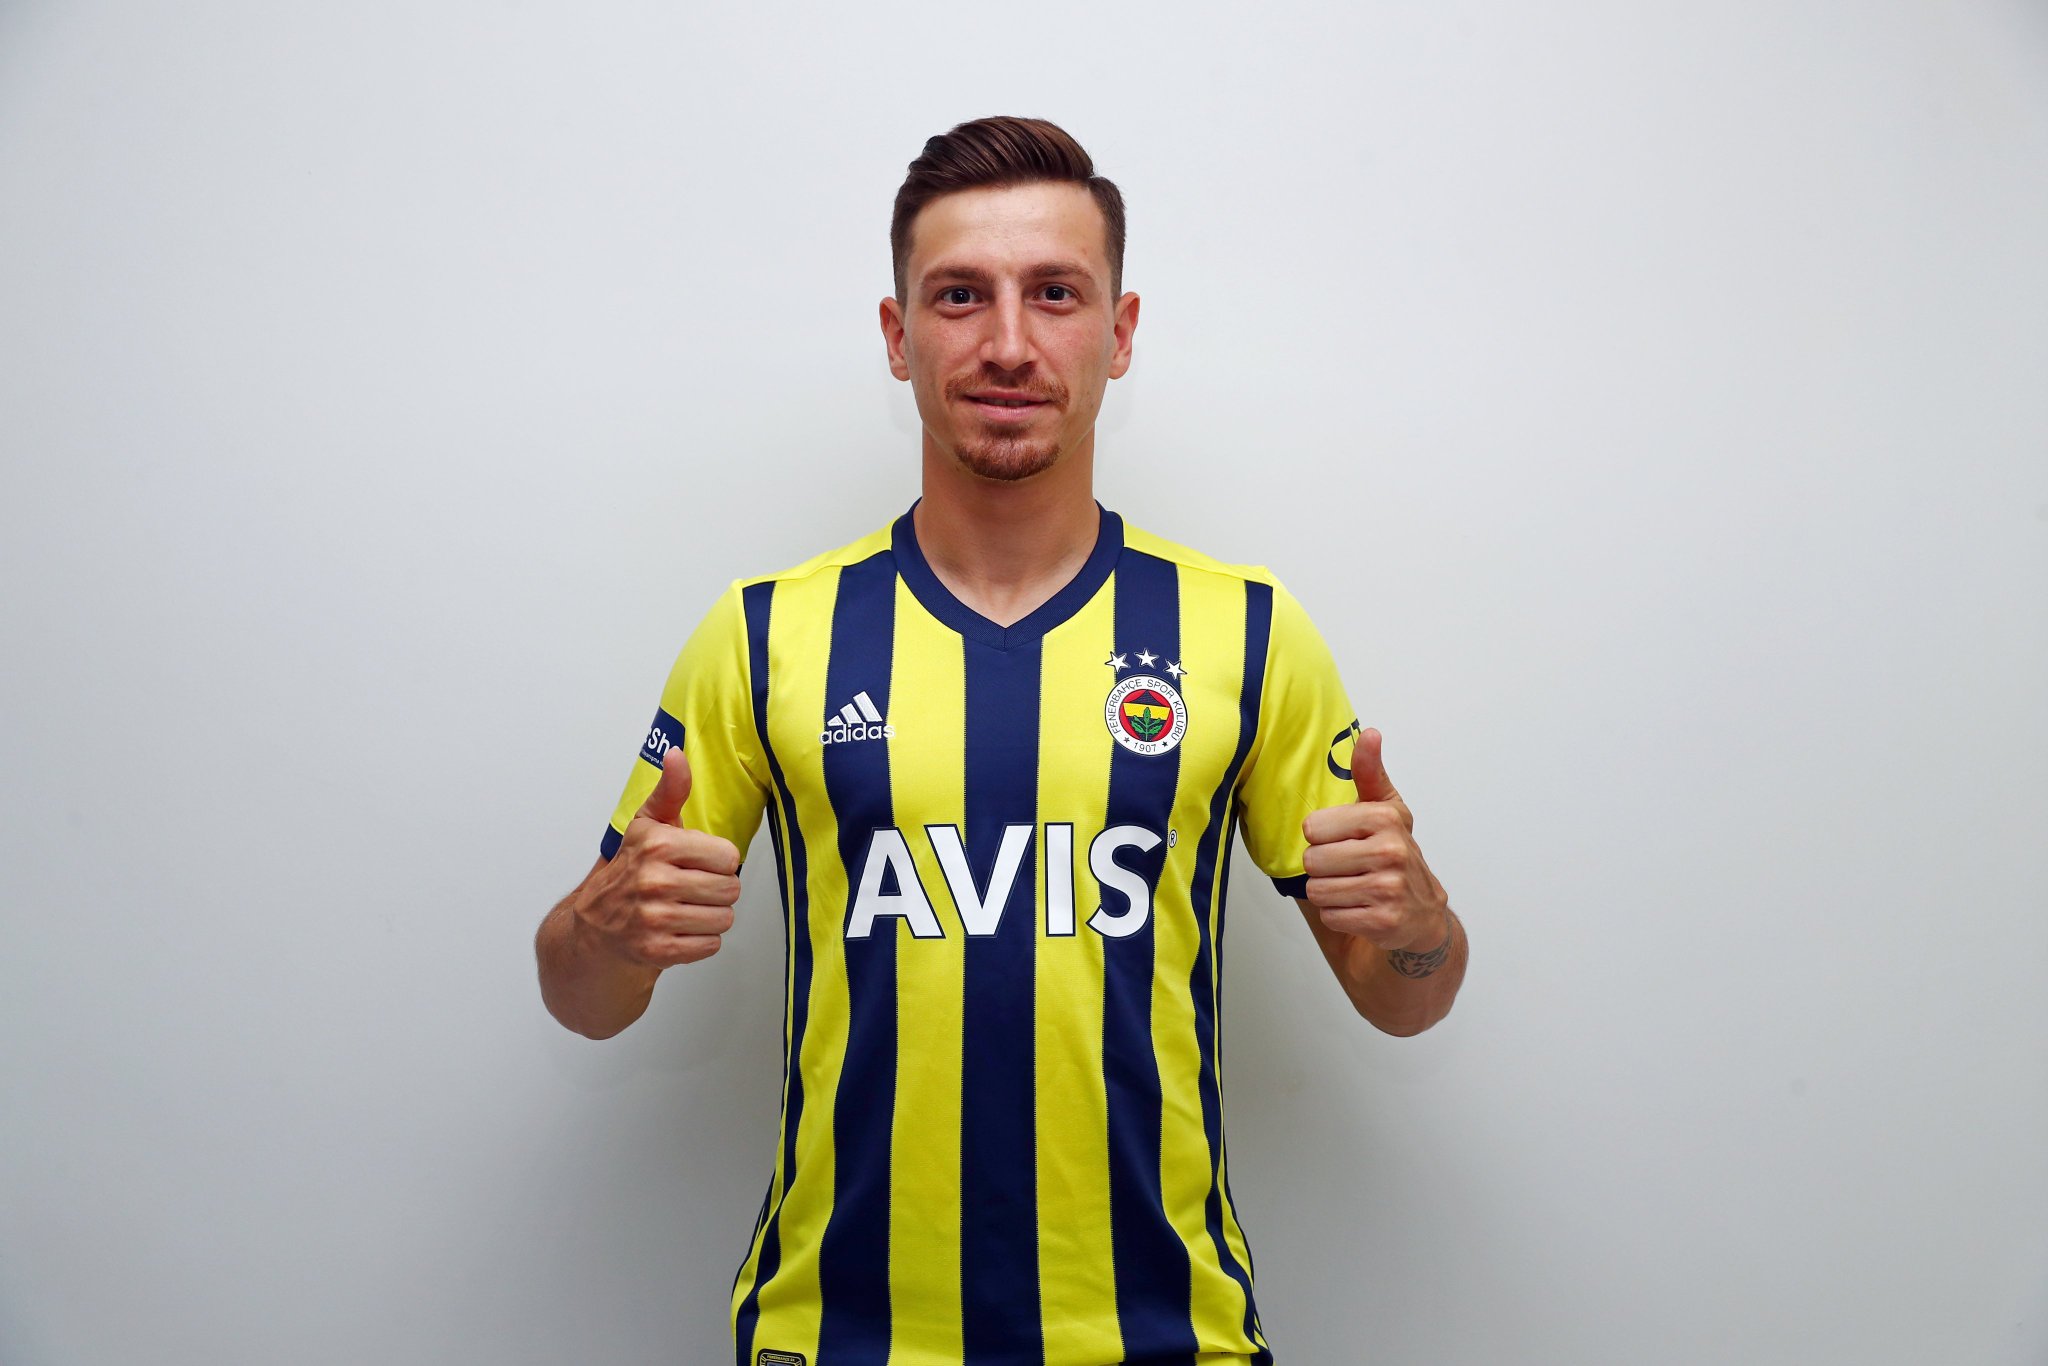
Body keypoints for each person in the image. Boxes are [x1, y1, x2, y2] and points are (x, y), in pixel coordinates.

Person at [534, 115, 1468, 1366]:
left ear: (1119, 332)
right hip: (841, 1338)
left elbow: (1407, 999)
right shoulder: (763, 635)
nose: (1009, 344)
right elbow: (581, 998)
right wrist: (604, 931)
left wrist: (1415, 922)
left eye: (1055, 294)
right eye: (960, 295)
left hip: (1162, 1336)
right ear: (897, 335)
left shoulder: (1246, 632)